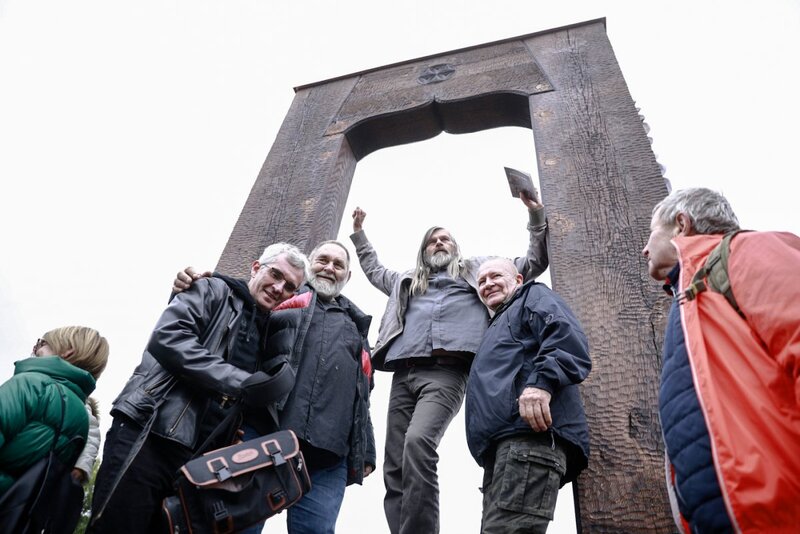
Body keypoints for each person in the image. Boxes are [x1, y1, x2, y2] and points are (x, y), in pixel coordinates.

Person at [349, 192, 548, 534]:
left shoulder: (477, 272)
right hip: (404, 374)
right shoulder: (406, 281)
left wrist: (536, 216)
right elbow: (374, 270)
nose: (439, 243)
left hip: (447, 373)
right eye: (432, 240)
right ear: (424, 251)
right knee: (395, 462)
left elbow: (531, 263)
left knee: (418, 442)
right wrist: (359, 235)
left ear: (455, 247)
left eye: (445, 239)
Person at [88, 243, 307, 532]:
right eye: (275, 274)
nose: (279, 288)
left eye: (290, 286)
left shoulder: (268, 335)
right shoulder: (213, 289)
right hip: (151, 432)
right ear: (256, 268)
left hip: (199, 461)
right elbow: (168, 337)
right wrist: (240, 382)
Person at [174, 240, 376, 534]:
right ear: (309, 264)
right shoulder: (283, 296)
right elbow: (239, 306)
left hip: (328, 454)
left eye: (338, 264)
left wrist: (366, 450)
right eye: (323, 260)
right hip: (266, 435)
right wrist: (201, 283)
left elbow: (362, 394)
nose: (329, 268)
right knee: (239, 525)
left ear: (348, 275)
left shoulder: (357, 326)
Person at [642, 187, 800, 533]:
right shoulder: (687, 298)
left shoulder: (747, 251)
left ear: (681, 224)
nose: (644, 249)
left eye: (652, 233)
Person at [465, 258, 590, 533]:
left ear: (518, 280)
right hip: (505, 448)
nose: (487, 284)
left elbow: (565, 336)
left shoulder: (533, 295)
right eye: (482, 281)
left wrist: (541, 383)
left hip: (530, 438)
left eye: (496, 276)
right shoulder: (498, 323)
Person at [0, 326, 109, 498]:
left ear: (68, 351)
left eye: (42, 343)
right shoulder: (82, 417)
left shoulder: (30, 385)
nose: (35, 349)